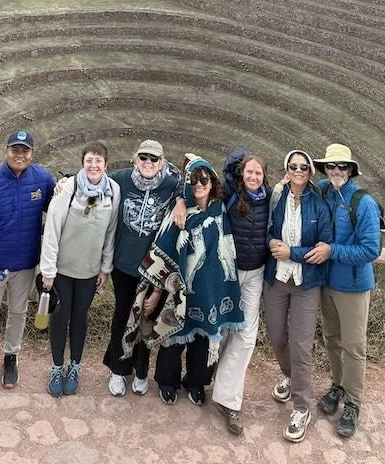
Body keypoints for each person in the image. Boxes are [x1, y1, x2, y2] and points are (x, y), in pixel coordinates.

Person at [126, 158, 244, 407]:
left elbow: (226, 250)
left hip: (211, 289)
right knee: (175, 335)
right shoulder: (178, 215)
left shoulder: (219, 210)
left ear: (212, 182)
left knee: (203, 340)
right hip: (180, 291)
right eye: (193, 180)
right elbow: (164, 251)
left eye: (204, 179)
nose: (199, 184)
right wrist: (157, 292)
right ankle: (167, 381)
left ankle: (196, 382)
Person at [0, 130, 56, 399]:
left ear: (32, 154)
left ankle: (10, 357)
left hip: (26, 265)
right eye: (15, 150)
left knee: (18, 313)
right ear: (6, 151)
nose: (20, 155)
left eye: (25, 151)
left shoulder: (42, 179)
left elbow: (57, 210)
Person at [308, 143, 381, 439]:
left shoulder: (363, 203)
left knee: (353, 346)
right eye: (331, 166)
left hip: (352, 286)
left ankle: (353, 402)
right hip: (328, 283)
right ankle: (337, 385)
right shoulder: (324, 189)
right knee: (333, 339)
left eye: (341, 167)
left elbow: (371, 249)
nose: (335, 171)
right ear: (325, 169)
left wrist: (331, 251)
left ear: (350, 170)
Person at [39, 141, 120, 397]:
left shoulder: (113, 192)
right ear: (82, 164)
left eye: (98, 161)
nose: (93, 165)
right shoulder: (68, 189)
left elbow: (111, 233)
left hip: (89, 271)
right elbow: (51, 229)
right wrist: (48, 270)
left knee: (80, 318)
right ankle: (56, 367)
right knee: (59, 317)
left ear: (106, 165)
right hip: (62, 270)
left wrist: (105, 269)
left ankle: (75, 366)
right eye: (89, 161)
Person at [102, 138, 181, 397]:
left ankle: (140, 369)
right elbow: (94, 180)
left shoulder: (171, 186)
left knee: (146, 318)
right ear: (135, 159)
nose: (148, 162)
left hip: (153, 269)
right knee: (123, 315)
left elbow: (193, 189)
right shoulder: (121, 179)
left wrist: (180, 200)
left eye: (154, 159)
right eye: (144, 157)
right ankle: (117, 368)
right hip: (123, 264)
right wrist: (64, 182)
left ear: (162, 163)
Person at [264, 149, 332, 444]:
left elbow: (324, 246)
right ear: (287, 169)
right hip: (277, 280)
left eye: (304, 166)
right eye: (293, 166)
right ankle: (290, 376)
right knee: (278, 337)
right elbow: (264, 231)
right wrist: (271, 242)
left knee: (302, 345)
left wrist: (292, 252)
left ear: (310, 172)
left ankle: (301, 408)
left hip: (307, 284)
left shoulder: (319, 206)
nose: (299, 170)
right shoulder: (276, 198)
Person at [211, 151, 272, 436]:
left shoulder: (271, 197)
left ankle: (229, 400)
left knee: (246, 336)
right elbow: (200, 185)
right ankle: (206, 377)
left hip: (256, 273)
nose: (253, 177)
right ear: (241, 173)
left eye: (258, 173)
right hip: (230, 273)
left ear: (264, 177)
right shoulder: (229, 194)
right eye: (249, 171)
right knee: (222, 329)